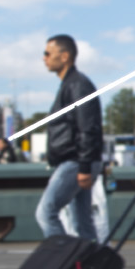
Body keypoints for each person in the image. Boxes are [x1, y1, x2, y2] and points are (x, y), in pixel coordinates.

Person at [35, 35, 104, 240]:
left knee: (46, 213)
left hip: (75, 162)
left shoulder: (77, 85)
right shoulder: (71, 84)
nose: (44, 58)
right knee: (82, 222)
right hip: (80, 161)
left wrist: (83, 167)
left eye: (48, 53)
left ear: (64, 56)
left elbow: (87, 127)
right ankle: (89, 266)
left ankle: (60, 258)